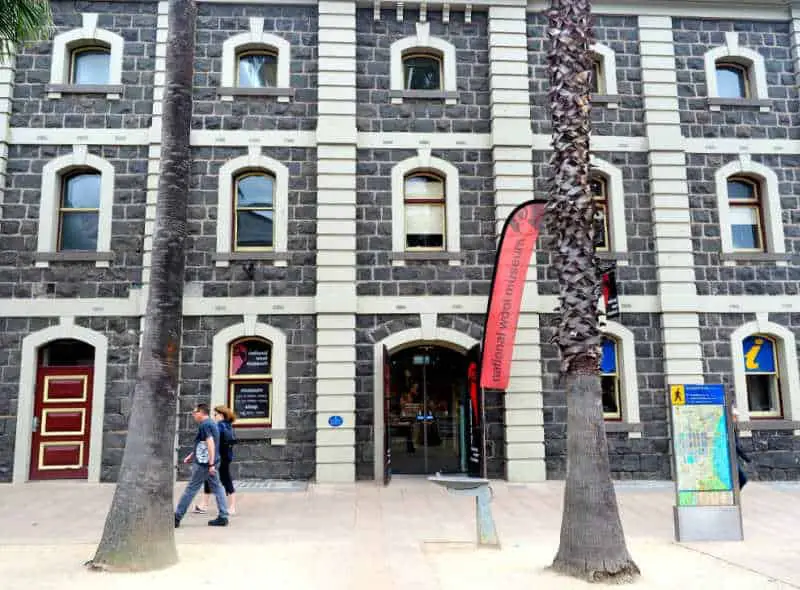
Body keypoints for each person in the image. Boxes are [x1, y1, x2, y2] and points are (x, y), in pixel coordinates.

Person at [174, 404, 229, 527]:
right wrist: (192, 455)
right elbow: (203, 444)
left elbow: (210, 444)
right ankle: (223, 516)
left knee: (191, 489)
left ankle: (177, 517)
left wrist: (211, 464)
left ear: (201, 412)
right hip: (210, 461)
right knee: (217, 487)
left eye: (195, 412)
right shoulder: (210, 423)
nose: (193, 415)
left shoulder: (205, 425)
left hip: (204, 464)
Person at [193, 406, 238, 515]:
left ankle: (231, 507)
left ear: (221, 415)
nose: (214, 417)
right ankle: (204, 504)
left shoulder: (219, 426)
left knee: (224, 479)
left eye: (215, 415)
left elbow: (212, 442)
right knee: (212, 478)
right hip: (226, 457)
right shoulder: (229, 426)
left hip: (219, 457)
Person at [732, 407, 752, 490]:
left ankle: (734, 493)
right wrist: (746, 458)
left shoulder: (733, 427)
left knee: (740, 479)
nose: (736, 419)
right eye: (735, 417)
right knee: (742, 479)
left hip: (733, 458)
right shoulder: (729, 428)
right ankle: (734, 494)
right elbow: (735, 446)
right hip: (731, 459)